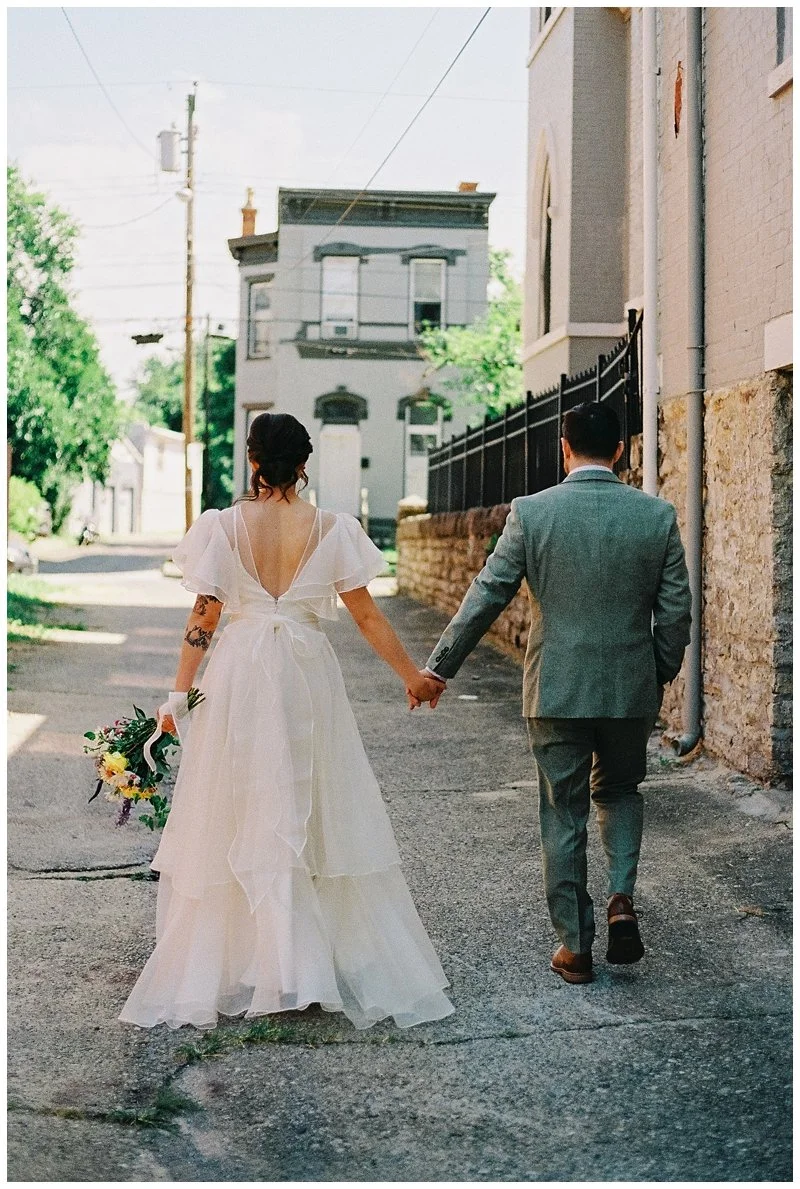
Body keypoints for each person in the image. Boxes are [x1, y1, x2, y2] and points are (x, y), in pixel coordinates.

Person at [119, 413, 451, 1031]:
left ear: (252, 460)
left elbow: (203, 618)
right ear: (304, 463)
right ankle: (297, 964)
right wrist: (412, 675)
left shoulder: (221, 527)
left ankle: (258, 960)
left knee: (241, 807)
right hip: (305, 675)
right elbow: (368, 618)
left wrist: (176, 697)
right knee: (306, 804)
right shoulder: (331, 527)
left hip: (238, 674)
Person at [420, 402, 692, 985]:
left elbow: (487, 594)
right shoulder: (657, 516)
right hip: (628, 689)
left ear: (562, 448)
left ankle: (575, 946)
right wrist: (656, 674)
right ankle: (621, 897)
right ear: (620, 451)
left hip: (556, 691)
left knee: (562, 810)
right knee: (619, 792)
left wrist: (440, 667)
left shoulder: (531, 513)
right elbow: (675, 614)